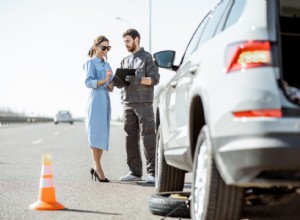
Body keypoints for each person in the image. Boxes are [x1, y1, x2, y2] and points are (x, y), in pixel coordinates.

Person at [117, 29, 160, 183]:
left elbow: (154, 79)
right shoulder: (124, 61)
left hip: (144, 103)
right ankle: (134, 173)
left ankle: (153, 173)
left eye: (128, 41)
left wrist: (138, 79)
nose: (126, 44)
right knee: (130, 138)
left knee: (148, 136)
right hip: (128, 103)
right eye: (124, 42)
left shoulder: (147, 58)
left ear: (137, 40)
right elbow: (122, 83)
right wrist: (116, 82)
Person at [83, 35, 113, 182]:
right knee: (95, 133)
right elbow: (88, 82)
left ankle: (95, 165)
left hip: (105, 100)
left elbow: (110, 85)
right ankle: (98, 167)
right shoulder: (91, 63)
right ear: (95, 47)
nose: (106, 50)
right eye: (103, 47)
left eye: (108, 47)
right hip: (95, 101)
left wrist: (111, 84)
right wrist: (104, 81)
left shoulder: (107, 65)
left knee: (102, 134)